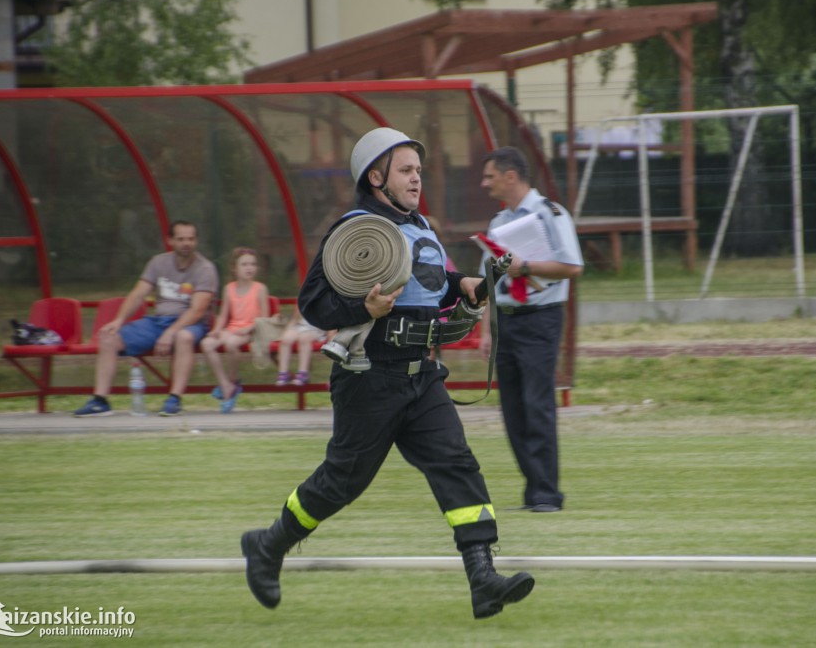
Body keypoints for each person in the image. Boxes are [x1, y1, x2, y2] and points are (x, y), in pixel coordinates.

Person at [240, 127, 535, 620]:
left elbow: (439, 285)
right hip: (368, 377)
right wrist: (364, 305)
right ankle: (269, 546)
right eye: (405, 169)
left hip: (422, 375)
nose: (416, 177)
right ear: (375, 176)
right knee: (342, 482)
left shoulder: (421, 227)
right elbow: (313, 304)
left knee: (456, 463)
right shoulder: (354, 229)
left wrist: (473, 286)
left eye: (418, 170)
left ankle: (483, 579)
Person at [478, 147, 584, 513]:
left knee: (537, 405)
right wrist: (487, 329)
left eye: (490, 176)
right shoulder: (497, 224)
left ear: (511, 176)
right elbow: (488, 277)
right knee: (512, 411)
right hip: (505, 319)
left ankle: (545, 494)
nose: (484, 183)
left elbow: (571, 266)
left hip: (540, 319)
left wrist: (525, 267)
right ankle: (534, 489)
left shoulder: (550, 215)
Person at [73, 220, 219, 417]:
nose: (186, 243)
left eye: (191, 239)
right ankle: (100, 401)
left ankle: (174, 399)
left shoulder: (205, 268)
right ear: (170, 241)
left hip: (189, 324)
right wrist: (118, 320)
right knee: (108, 338)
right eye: (181, 239)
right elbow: (138, 294)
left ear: (197, 241)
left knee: (184, 337)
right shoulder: (158, 262)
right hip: (158, 321)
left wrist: (170, 332)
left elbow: (198, 311)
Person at [201, 247, 269, 414]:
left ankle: (233, 381)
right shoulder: (229, 288)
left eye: (252, 264)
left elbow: (265, 319)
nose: (249, 268)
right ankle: (226, 384)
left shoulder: (260, 288)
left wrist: (248, 328)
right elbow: (223, 315)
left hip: (251, 330)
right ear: (235, 268)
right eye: (244, 264)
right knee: (207, 344)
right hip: (233, 328)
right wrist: (217, 330)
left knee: (231, 343)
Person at [274, 304, 329, 387]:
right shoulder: (303, 298)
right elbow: (294, 319)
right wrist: (286, 331)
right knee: (286, 339)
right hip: (300, 326)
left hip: (317, 328)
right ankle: (283, 373)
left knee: (304, 338)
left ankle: (303, 373)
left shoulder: (325, 299)